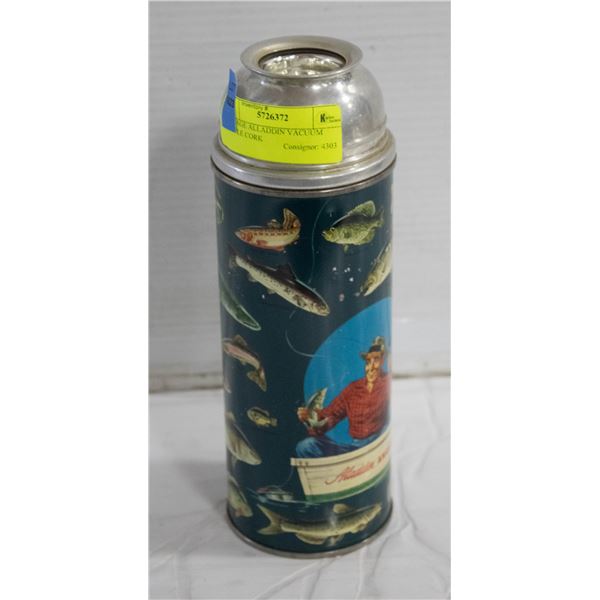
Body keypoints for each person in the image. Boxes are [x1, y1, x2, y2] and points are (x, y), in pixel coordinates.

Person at [296, 336, 390, 458]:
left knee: (387, 427)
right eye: (368, 361)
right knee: (306, 446)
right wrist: (310, 418)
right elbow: (332, 414)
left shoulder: (388, 382)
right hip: (355, 447)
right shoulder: (353, 389)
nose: (371, 366)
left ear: (382, 361)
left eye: (376, 360)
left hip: (378, 442)